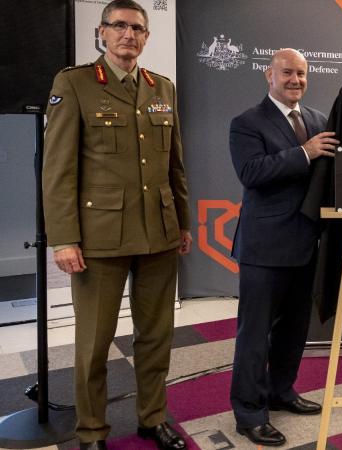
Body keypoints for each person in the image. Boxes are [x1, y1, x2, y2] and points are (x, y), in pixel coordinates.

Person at [42, 1, 192, 449]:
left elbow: (175, 165)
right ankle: (91, 431)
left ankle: (152, 418)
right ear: (102, 32)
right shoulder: (75, 84)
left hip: (159, 235)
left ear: (146, 37)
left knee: (156, 337)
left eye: (137, 28)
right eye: (119, 26)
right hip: (100, 238)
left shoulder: (162, 87)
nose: (129, 34)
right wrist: (64, 238)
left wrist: (182, 223)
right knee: (94, 344)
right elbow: (58, 170)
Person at [228, 48, 338, 447]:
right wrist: (305, 153)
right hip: (264, 248)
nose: (295, 80)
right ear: (269, 75)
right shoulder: (247, 122)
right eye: (287, 73)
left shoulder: (319, 121)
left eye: (301, 74)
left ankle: (281, 391)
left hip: (307, 244)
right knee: (255, 334)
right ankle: (249, 413)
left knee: (294, 330)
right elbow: (252, 172)